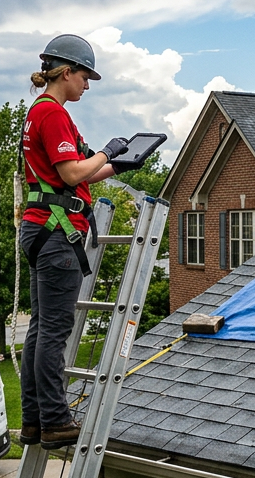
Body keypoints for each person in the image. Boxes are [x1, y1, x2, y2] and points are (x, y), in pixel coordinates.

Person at [19, 34, 134, 449]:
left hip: (40, 229)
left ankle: (34, 420)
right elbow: (71, 175)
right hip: (55, 233)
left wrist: (118, 162)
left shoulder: (42, 113)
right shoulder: (52, 115)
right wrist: (105, 151)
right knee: (54, 331)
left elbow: (78, 172)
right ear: (66, 71)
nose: (87, 84)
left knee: (40, 330)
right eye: (85, 76)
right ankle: (55, 420)